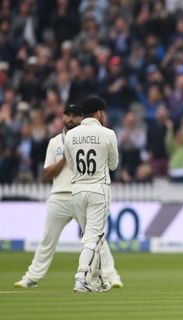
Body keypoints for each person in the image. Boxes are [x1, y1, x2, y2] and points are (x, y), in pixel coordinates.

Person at [14, 103, 123, 289]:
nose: (71, 118)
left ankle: (110, 277)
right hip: (59, 196)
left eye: (75, 115)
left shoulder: (79, 137)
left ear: (82, 118)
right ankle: (31, 277)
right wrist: (63, 158)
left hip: (78, 193)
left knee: (96, 238)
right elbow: (46, 174)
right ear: (62, 117)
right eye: (67, 115)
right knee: (49, 240)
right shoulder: (55, 142)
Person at [64, 96, 119, 292]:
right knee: (93, 238)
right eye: (102, 112)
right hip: (98, 189)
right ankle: (81, 278)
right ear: (97, 113)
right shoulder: (108, 134)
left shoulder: (70, 135)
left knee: (92, 238)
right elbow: (113, 164)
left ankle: (95, 281)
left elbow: (71, 165)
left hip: (77, 190)